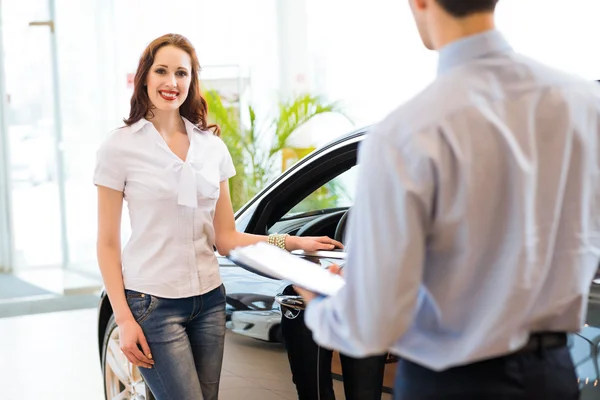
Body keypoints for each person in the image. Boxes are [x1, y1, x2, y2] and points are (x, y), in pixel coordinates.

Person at [294, 1, 600, 399]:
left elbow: (370, 323)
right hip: (555, 375)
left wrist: (320, 302)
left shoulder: (406, 131)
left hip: (451, 383)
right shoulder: (583, 103)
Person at [94, 33, 343, 400]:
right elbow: (107, 243)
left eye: (182, 73)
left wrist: (292, 241)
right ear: (145, 75)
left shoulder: (212, 147)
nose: (172, 82)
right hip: (152, 303)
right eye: (162, 71)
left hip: (210, 302)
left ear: (192, 81)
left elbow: (226, 237)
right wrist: (125, 319)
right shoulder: (119, 147)